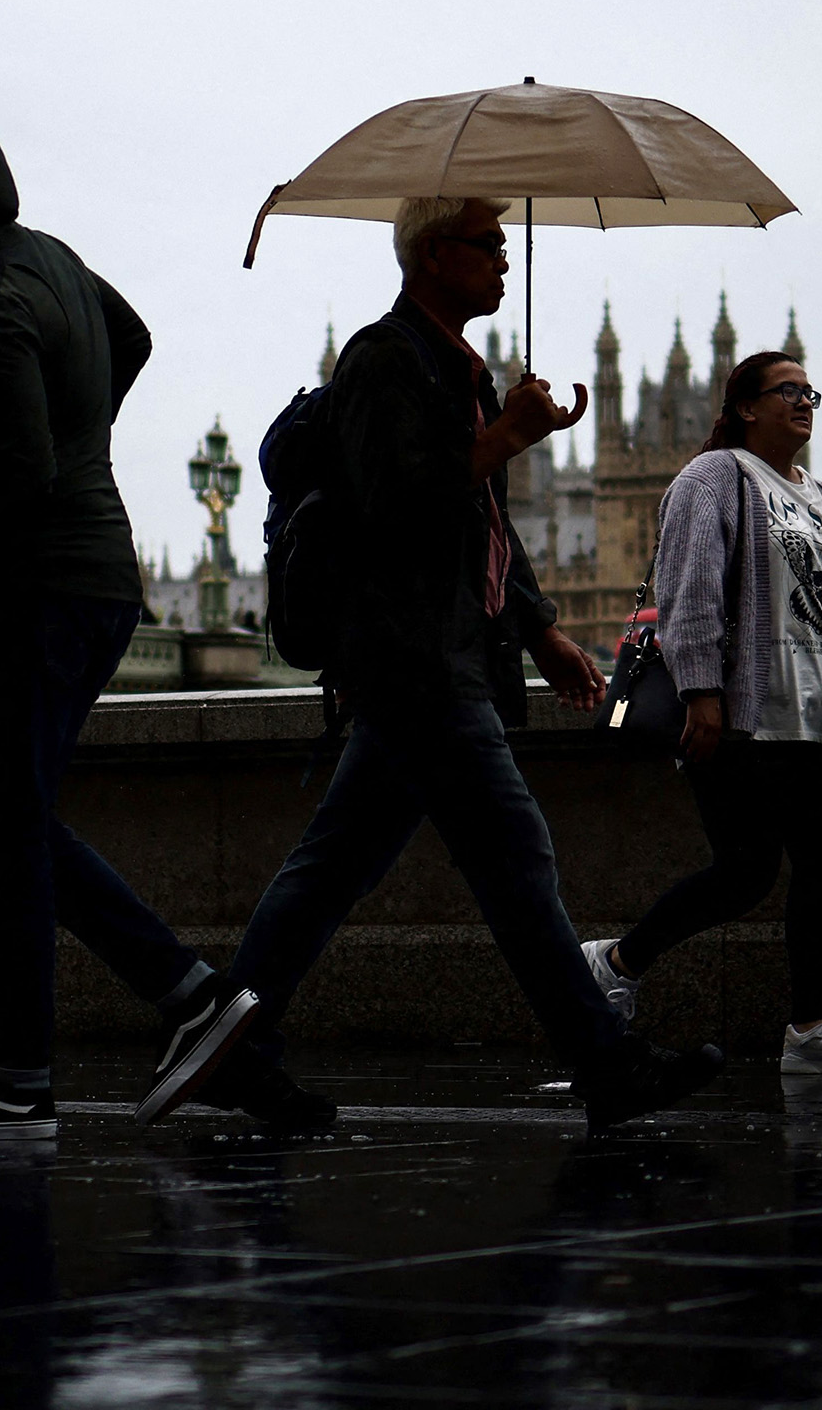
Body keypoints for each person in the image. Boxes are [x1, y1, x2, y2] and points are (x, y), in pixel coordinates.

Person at [165, 195, 724, 1135]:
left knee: (332, 869)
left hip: (439, 658)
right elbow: (398, 507)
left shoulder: (456, 368)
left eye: (508, 245)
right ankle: (605, 1061)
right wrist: (506, 436)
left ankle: (232, 1047)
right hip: (416, 661)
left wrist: (541, 627)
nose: (504, 260)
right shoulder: (384, 359)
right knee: (514, 859)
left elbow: (483, 528)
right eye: (487, 244)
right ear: (434, 255)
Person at [0, 111, 257, 1143]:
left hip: (31, 590)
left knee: (6, 828)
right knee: (17, 817)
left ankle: (29, 1068)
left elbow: (21, 475)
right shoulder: (51, 261)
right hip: (102, 580)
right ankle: (167, 1001)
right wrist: (90, 432)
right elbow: (130, 338)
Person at [580, 351, 822, 1073]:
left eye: (809, 390)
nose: (803, 401)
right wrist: (702, 691)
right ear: (745, 407)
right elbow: (689, 589)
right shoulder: (713, 478)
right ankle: (617, 962)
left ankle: (811, 1030)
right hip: (747, 716)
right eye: (786, 390)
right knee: (747, 871)